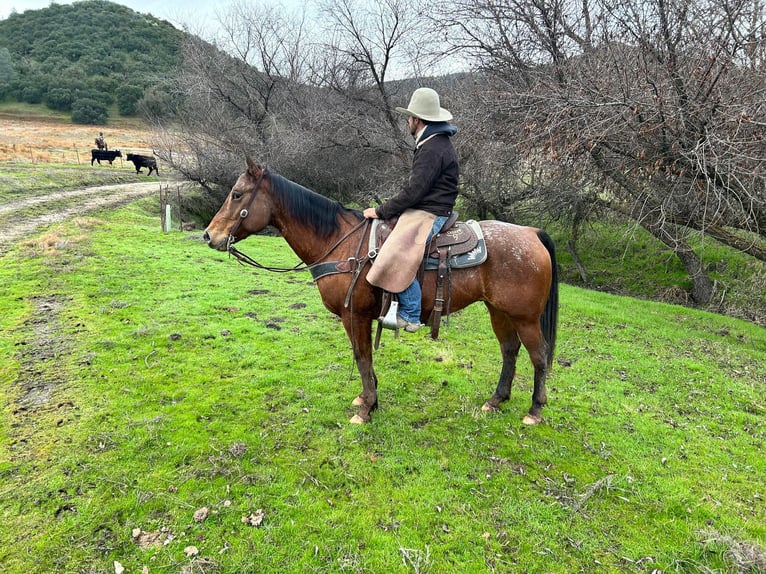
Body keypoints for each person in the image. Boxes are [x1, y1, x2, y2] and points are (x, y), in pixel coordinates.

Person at [363, 87, 459, 332]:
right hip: (426, 208)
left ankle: (410, 313)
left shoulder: (433, 147)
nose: (407, 121)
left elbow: (414, 191)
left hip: (430, 213)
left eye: (409, 117)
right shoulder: (434, 141)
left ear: (417, 119)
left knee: (397, 252)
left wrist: (381, 210)